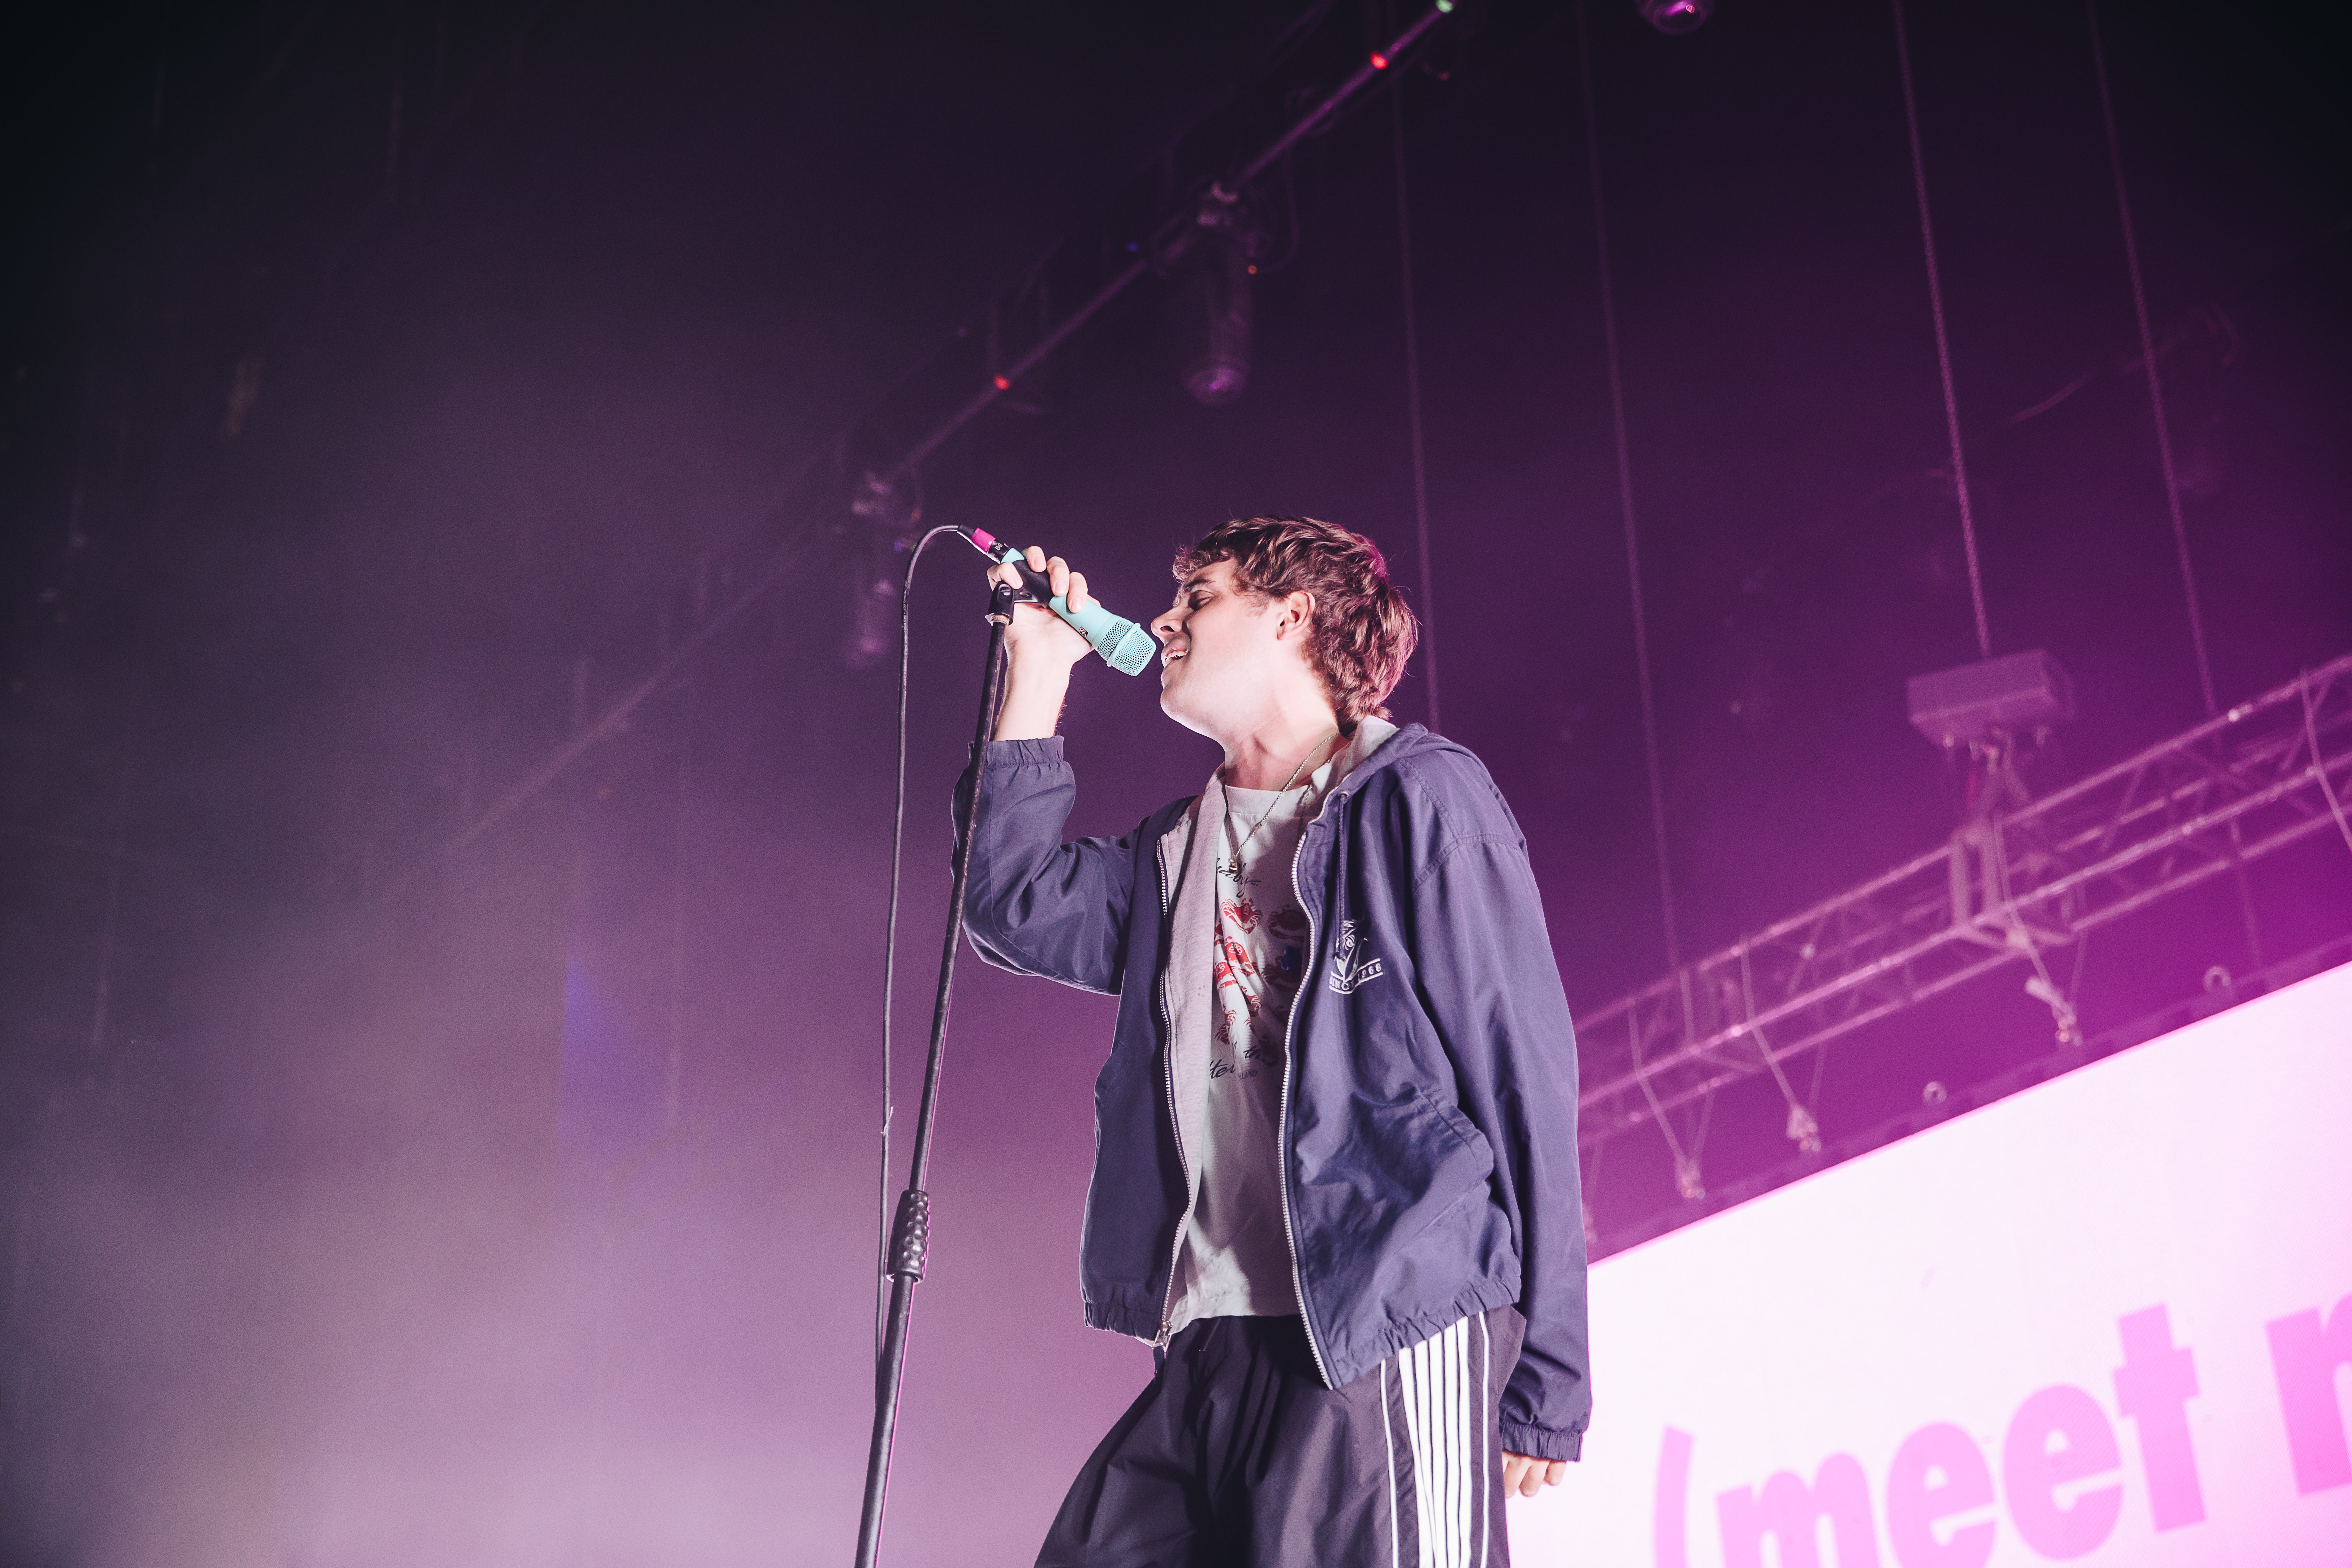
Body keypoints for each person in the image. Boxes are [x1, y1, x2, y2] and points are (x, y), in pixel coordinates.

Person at [956, 515, 1588, 1567]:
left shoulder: (1419, 796)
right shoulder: (1171, 852)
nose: (1166, 621)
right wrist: (1040, 669)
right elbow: (1009, 903)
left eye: (1199, 598)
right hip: (1210, 1335)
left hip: (1384, 1321)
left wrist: (1551, 1370)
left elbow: (1518, 1068)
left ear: (1292, 617)